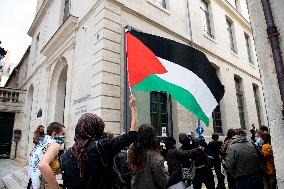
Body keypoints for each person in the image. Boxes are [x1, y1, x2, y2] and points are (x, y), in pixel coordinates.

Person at [61, 94, 138, 189]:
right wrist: (133, 109)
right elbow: (132, 135)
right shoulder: (101, 146)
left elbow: (66, 183)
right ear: (97, 129)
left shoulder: (67, 155)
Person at [128, 124, 169, 189]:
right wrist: (166, 171)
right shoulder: (155, 157)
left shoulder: (133, 153)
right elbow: (163, 181)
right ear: (152, 138)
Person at [28, 122, 65, 189]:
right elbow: (43, 165)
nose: (64, 137)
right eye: (63, 134)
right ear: (54, 134)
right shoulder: (53, 144)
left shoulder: (42, 143)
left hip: (33, 182)